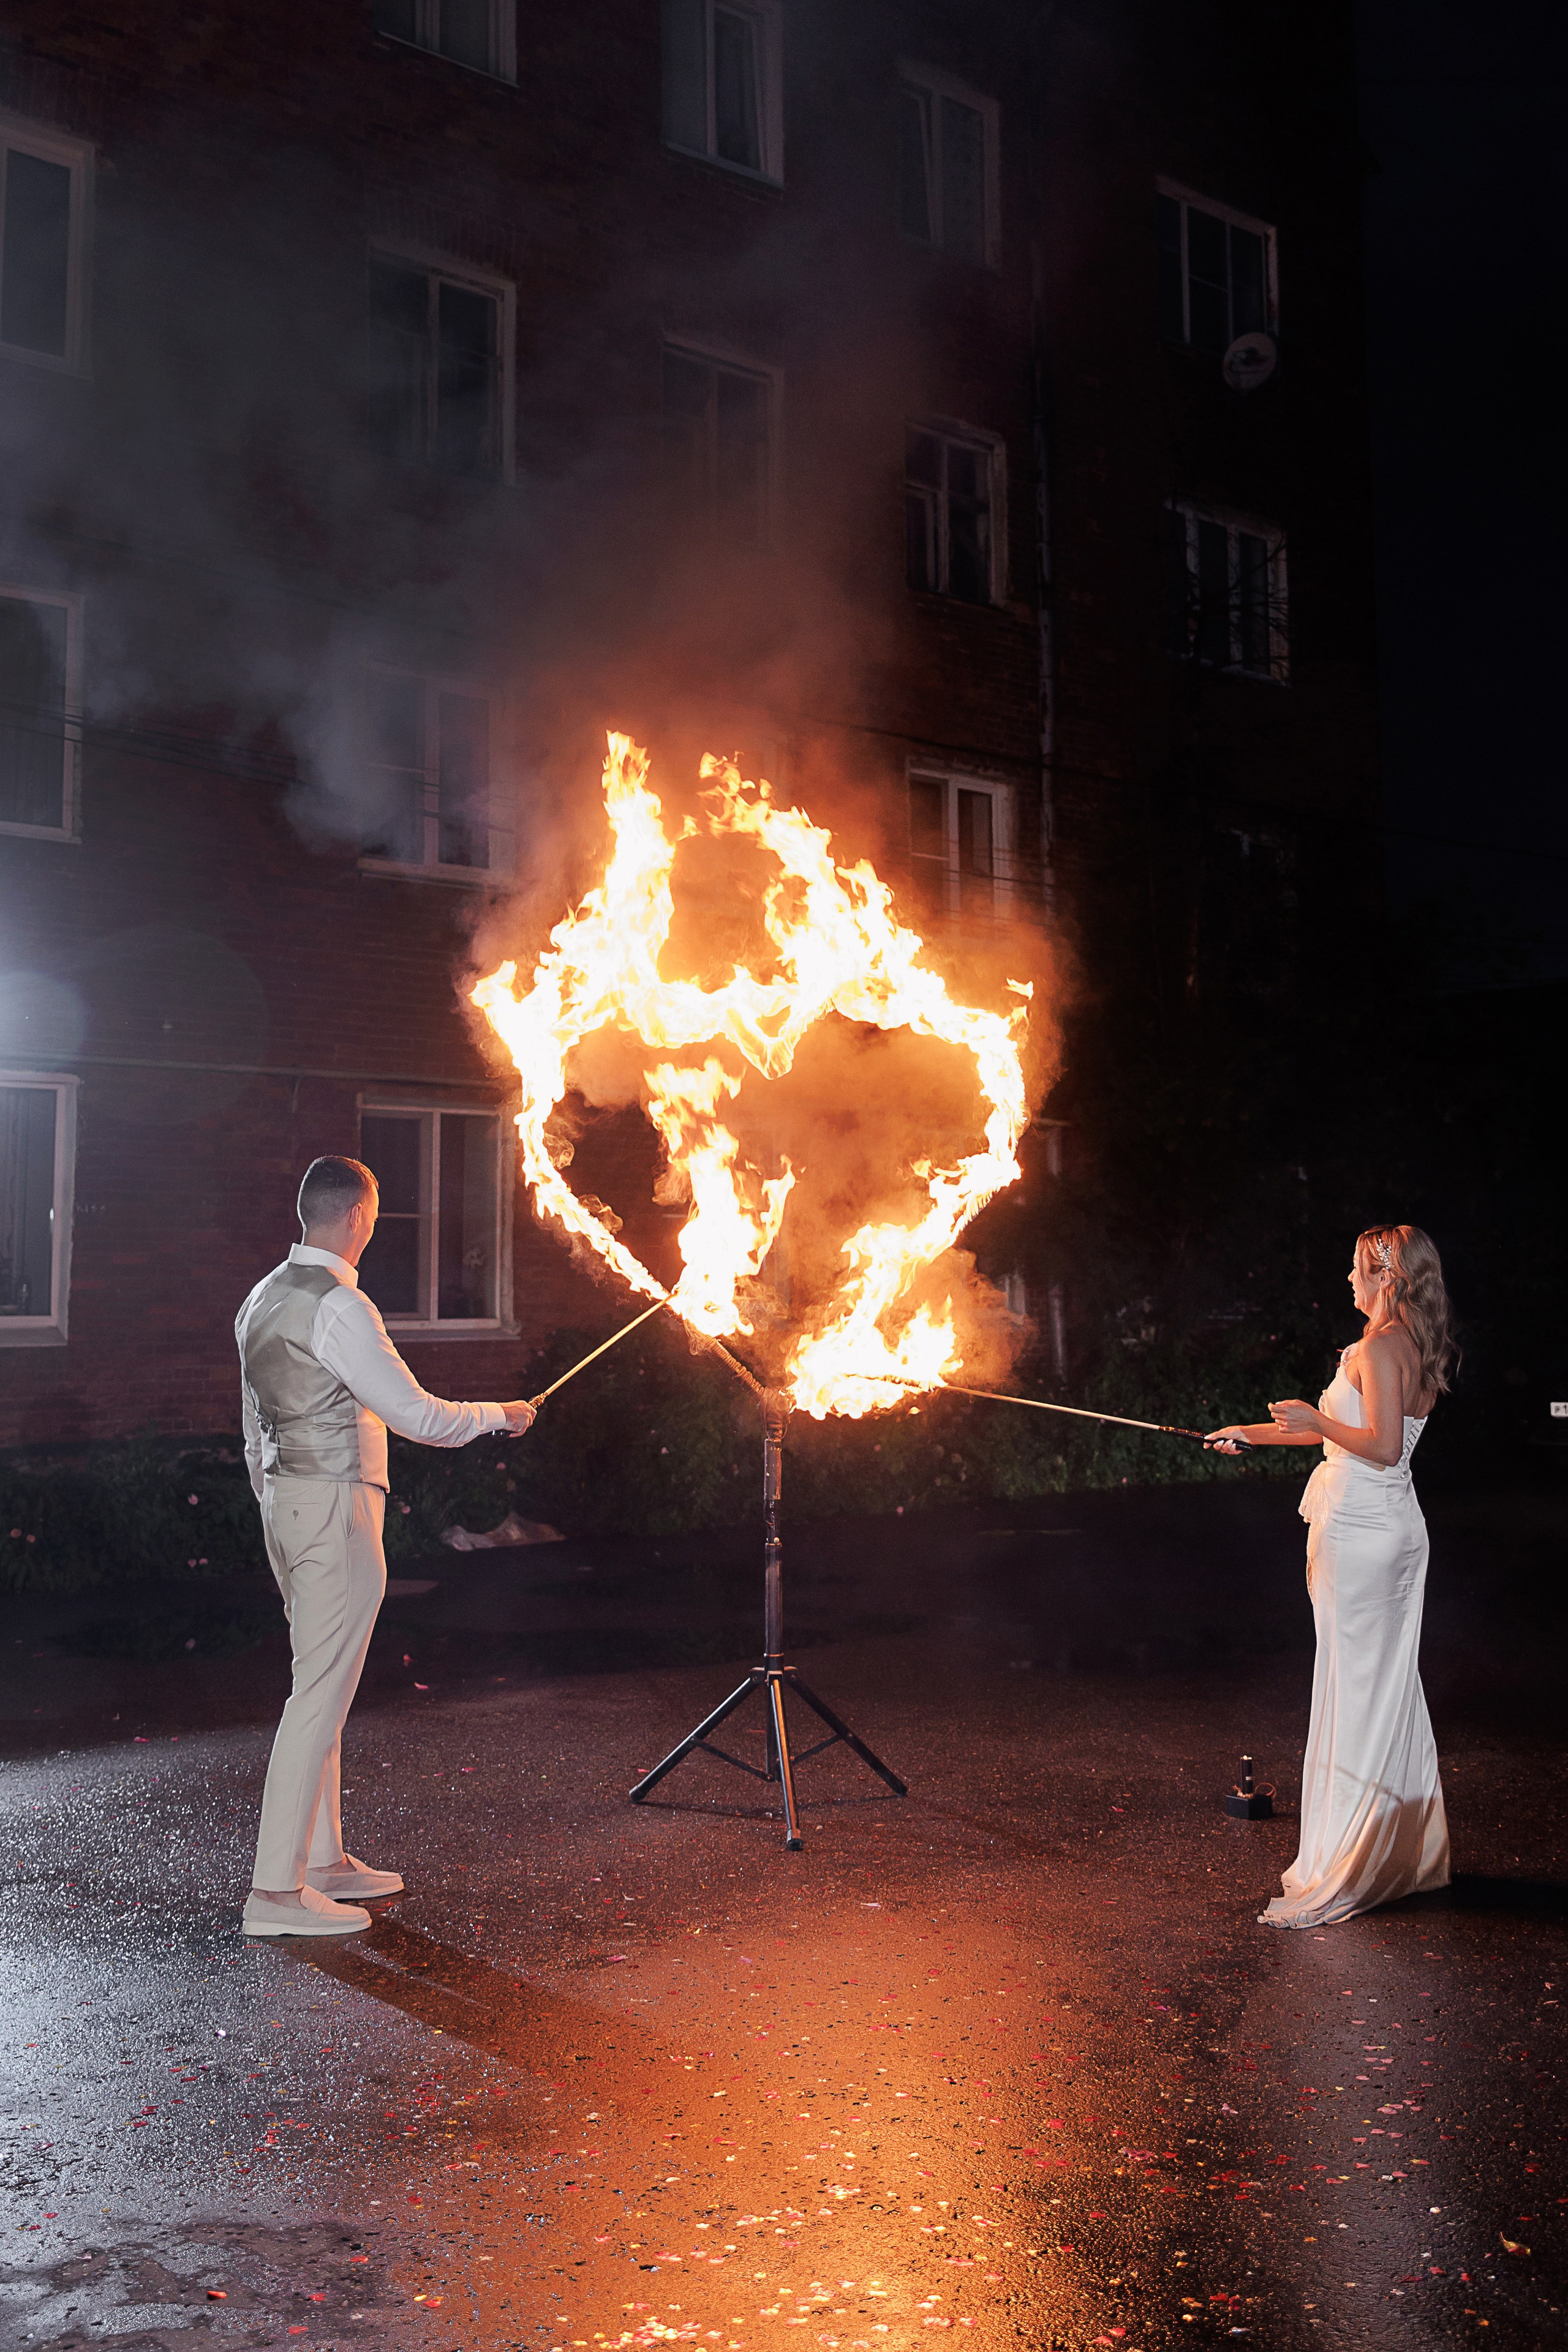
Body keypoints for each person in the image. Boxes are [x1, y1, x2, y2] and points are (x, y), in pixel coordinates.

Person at [235, 1155, 536, 1939]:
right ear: (358, 1218)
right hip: (332, 1510)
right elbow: (418, 1415)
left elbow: (251, 1428)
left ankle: (324, 1861)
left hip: (290, 1506)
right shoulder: (339, 1305)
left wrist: (277, 1503)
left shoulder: (262, 1297)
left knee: (319, 1685)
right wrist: (502, 1413)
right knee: (318, 1698)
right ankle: (274, 1894)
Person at [1207, 1224, 1455, 1929]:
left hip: (1365, 1531)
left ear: (1388, 1277)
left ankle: (1357, 1861)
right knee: (1379, 1686)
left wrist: (1316, 1415)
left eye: (1357, 1269)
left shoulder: (1381, 1346)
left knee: (1357, 1689)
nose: (1347, 1280)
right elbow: (1337, 1434)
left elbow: (1376, 1445)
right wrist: (1249, 1433)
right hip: (1385, 1524)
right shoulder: (1400, 1343)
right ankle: (1393, 1852)